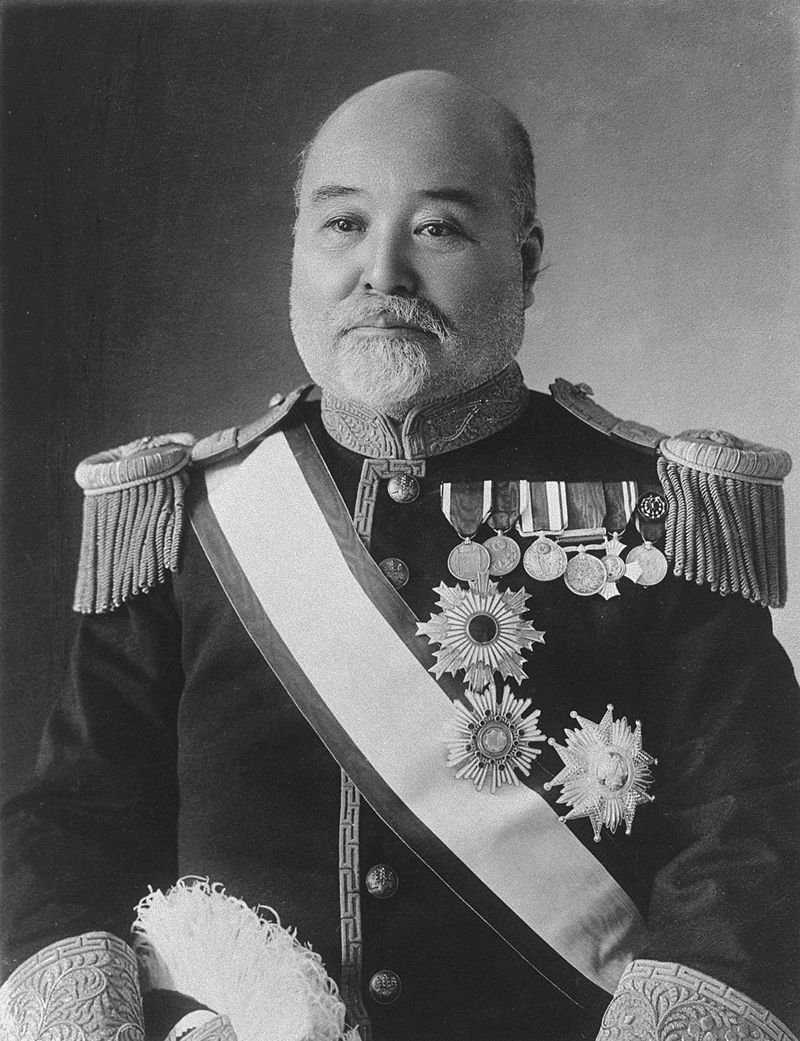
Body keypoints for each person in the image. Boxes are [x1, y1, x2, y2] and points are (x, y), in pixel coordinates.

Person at [1, 70, 798, 1041]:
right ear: (296, 250)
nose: (382, 272)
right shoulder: (183, 514)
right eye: (343, 224)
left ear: (525, 261)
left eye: (437, 229)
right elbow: (72, 827)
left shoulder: (662, 508)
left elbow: (753, 837)